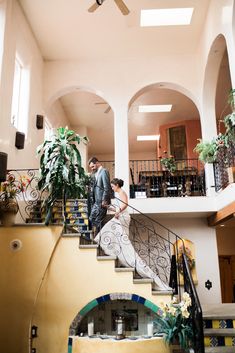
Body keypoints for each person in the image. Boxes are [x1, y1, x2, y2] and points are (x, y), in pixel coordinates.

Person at [94, 178, 171, 291]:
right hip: (119, 216)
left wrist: (118, 211)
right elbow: (117, 207)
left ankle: (120, 254)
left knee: (113, 233)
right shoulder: (117, 194)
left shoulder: (122, 192)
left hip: (123, 217)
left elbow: (125, 205)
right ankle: (117, 253)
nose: (111, 188)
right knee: (116, 236)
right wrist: (107, 207)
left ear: (116, 185)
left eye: (112, 186)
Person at [88, 157, 111, 237]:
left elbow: (107, 187)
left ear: (97, 163)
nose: (92, 169)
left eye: (92, 167)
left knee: (98, 222)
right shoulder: (95, 173)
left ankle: (98, 241)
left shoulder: (104, 171)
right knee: (91, 219)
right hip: (96, 202)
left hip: (102, 202)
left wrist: (104, 200)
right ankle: (98, 238)